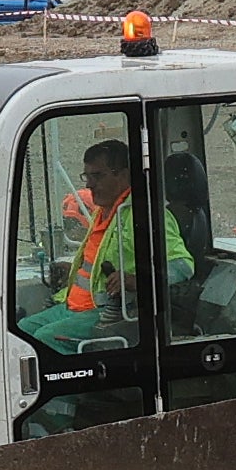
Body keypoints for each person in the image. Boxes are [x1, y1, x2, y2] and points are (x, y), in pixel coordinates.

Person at [18, 137, 190, 363]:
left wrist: (137, 280)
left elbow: (183, 266)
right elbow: (99, 263)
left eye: (97, 176)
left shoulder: (144, 215)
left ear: (124, 175)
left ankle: (73, 397)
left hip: (111, 312)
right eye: (86, 176)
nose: (89, 185)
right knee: (22, 331)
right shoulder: (104, 210)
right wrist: (72, 270)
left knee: (46, 338)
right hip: (74, 305)